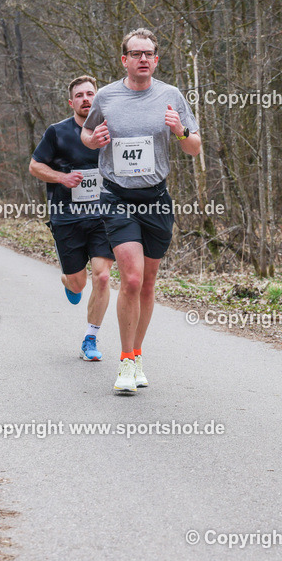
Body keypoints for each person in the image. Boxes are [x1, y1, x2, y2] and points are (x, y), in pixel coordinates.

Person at [81, 28, 201, 393]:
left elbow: (194, 147)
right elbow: (86, 134)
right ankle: (125, 363)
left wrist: (180, 130)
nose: (143, 59)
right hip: (117, 196)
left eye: (149, 54)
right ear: (124, 60)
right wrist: (94, 140)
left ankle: (137, 352)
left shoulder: (171, 95)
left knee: (148, 284)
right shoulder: (106, 96)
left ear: (156, 59)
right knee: (130, 279)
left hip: (156, 198)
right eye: (136, 54)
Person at [29, 75, 115, 362]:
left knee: (102, 276)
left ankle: (90, 337)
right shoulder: (57, 132)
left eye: (90, 93)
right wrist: (62, 177)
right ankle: (69, 281)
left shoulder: (109, 130)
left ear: (97, 98)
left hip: (103, 216)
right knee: (79, 284)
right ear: (71, 102)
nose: (86, 99)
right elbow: (34, 166)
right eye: (79, 95)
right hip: (66, 218)